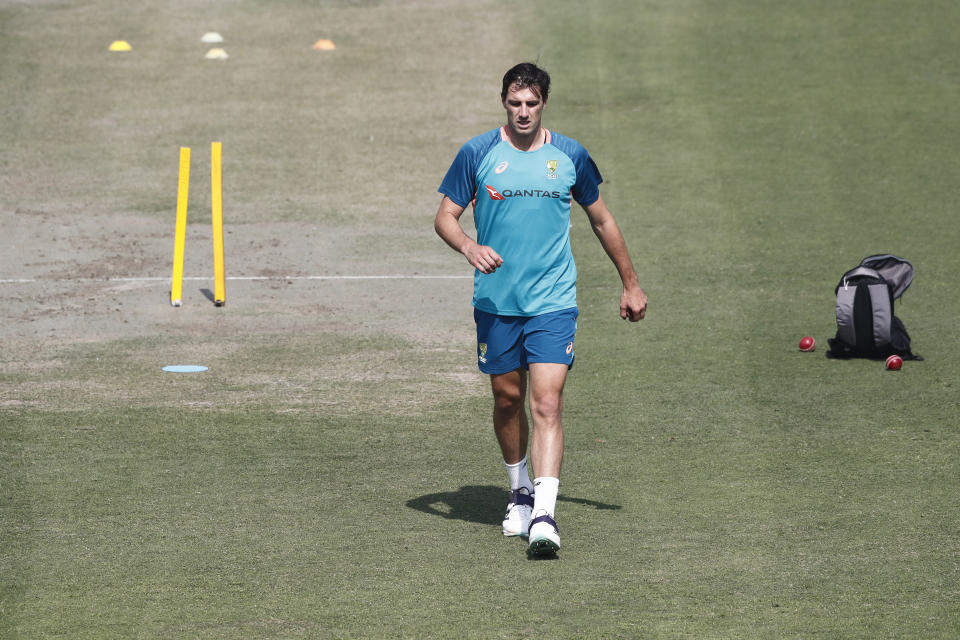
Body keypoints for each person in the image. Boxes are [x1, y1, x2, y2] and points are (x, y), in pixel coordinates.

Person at [433, 62, 647, 556]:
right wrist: (469, 246)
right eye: (515, 103)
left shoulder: (570, 155)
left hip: (553, 301)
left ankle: (545, 517)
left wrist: (630, 284)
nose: (523, 112)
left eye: (531, 103)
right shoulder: (478, 153)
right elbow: (445, 216)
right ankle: (519, 491)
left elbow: (602, 220)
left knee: (546, 403)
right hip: (496, 304)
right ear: (504, 102)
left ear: (543, 102)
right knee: (508, 401)